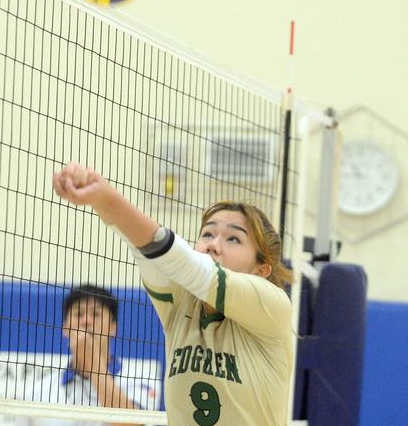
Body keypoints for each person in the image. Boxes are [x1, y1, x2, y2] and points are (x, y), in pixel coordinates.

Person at [52, 163, 294, 426]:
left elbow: (181, 261)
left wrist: (106, 197)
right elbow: (144, 248)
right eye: (208, 234)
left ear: (262, 269)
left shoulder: (272, 306)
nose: (213, 245)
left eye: (233, 239)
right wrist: (96, 199)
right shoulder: (180, 303)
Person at [28, 285, 158, 426]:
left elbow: (131, 424)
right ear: (65, 328)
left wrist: (93, 362)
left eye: (96, 314)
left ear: (113, 327)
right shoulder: (38, 391)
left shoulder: (143, 380)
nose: (86, 321)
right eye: (78, 314)